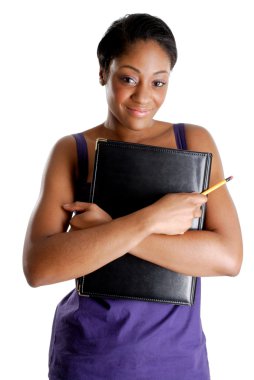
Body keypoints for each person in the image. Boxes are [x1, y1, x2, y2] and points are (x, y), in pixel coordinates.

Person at [23, 13, 243, 380]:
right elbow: (39, 267)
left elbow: (228, 258)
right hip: (88, 358)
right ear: (102, 73)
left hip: (177, 361)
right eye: (128, 78)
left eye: (159, 82)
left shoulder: (192, 142)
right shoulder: (74, 150)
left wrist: (108, 230)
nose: (144, 96)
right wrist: (151, 219)